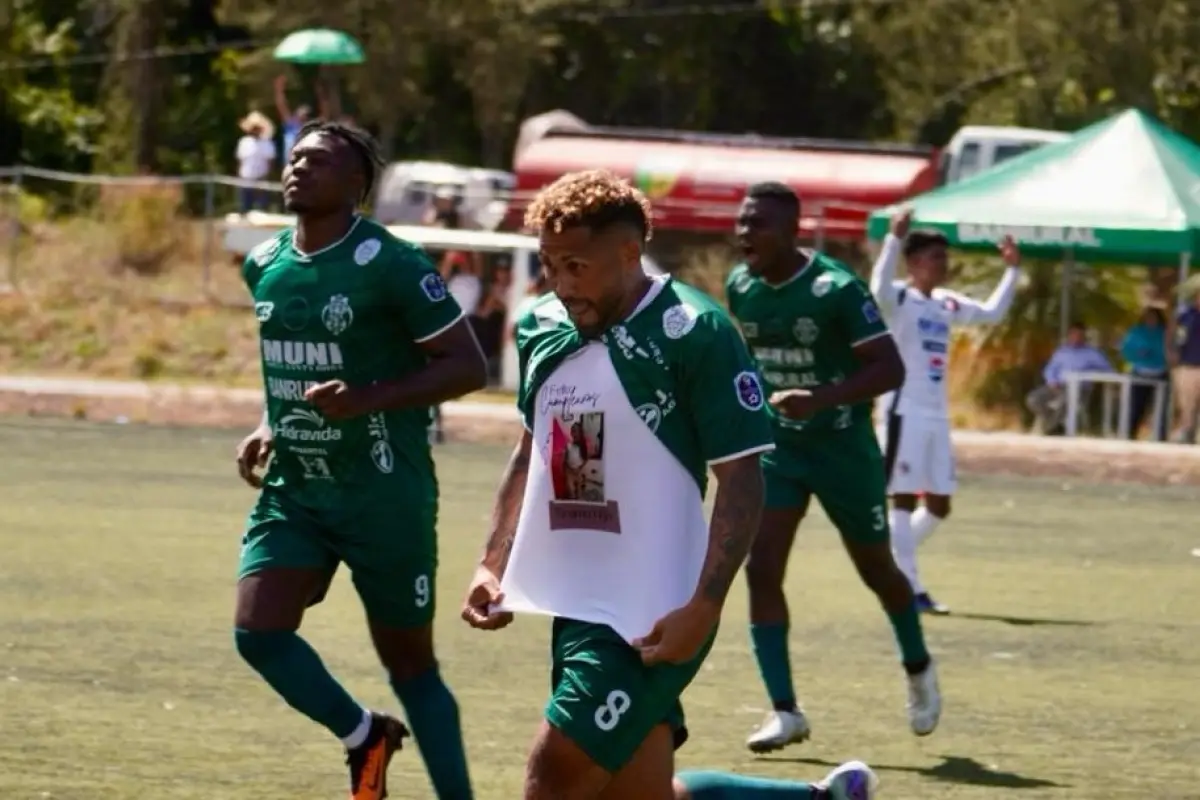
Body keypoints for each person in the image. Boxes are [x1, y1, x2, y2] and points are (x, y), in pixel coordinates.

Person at [461, 170, 878, 800]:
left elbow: (741, 476)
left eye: (576, 265)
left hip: (653, 612)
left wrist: (703, 606)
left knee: (554, 779)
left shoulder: (696, 331)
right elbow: (532, 449)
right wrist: (492, 562)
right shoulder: (542, 325)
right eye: (549, 265)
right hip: (573, 602)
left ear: (629, 253)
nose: (561, 283)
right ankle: (820, 799)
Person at [233, 120, 485, 800]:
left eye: (318, 160)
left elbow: (468, 365)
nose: (298, 167)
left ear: (356, 185)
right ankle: (363, 735)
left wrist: (367, 399)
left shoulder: (393, 264)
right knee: (258, 634)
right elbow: (295, 358)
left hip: (384, 499)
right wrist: (270, 421)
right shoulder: (264, 263)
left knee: (412, 669)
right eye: (294, 157)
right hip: (297, 490)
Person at [726, 182, 939, 754]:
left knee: (877, 572)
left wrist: (819, 398)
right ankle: (785, 711)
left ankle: (918, 666)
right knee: (761, 566)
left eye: (760, 223)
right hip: (782, 452)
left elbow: (889, 369)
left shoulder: (835, 289)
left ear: (793, 231)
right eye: (743, 221)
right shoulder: (740, 286)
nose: (747, 232)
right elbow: (749, 364)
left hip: (844, 451)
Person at [869, 214, 1021, 615]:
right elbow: (877, 289)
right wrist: (893, 240)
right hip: (904, 411)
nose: (944, 264)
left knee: (939, 503)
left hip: (936, 415)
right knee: (901, 498)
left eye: (944, 257)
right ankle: (910, 588)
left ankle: (888, 559)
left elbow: (990, 313)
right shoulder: (900, 298)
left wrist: (1012, 270)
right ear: (915, 261)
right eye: (936, 257)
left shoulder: (945, 303)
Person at [1025, 322, 1114, 435]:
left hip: (1079, 388)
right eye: (1074, 334)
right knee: (1033, 399)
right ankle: (1055, 426)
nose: (1076, 338)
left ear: (1084, 337)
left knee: (1066, 401)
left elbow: (1108, 369)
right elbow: (1050, 369)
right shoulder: (1062, 352)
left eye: (1079, 335)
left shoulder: (1092, 353)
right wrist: (1052, 381)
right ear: (1069, 335)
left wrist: (1091, 373)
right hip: (1057, 386)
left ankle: (1050, 430)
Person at [1120, 307, 1169, 440]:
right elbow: (1126, 350)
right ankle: (1129, 435)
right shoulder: (1136, 331)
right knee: (1136, 407)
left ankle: (1160, 437)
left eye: (1154, 317)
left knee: (1161, 408)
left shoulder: (1164, 333)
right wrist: (1138, 353)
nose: (1151, 320)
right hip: (1140, 373)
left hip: (1160, 373)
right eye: (1148, 317)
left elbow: (1169, 352)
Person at [1167, 288, 1200, 443]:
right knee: (1187, 402)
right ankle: (1188, 433)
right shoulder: (1184, 313)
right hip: (1187, 363)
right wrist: (1171, 351)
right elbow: (1171, 332)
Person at [235, 111, 277, 213]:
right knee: (244, 210)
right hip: (245, 181)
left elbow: (270, 163)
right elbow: (240, 161)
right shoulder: (243, 142)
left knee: (262, 211)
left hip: (261, 182)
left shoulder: (267, 143)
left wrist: (265, 178)